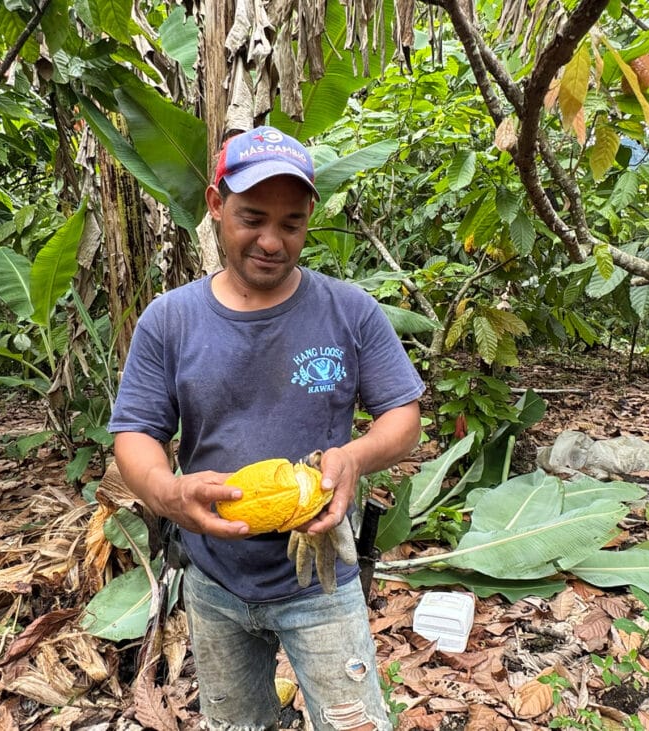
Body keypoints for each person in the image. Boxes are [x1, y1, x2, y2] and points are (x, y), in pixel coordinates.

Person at [108, 126, 425, 731]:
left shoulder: (348, 310)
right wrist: (170, 495)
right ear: (215, 204)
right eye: (252, 217)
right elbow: (136, 434)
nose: (272, 241)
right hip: (214, 581)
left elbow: (402, 418)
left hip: (320, 578)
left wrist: (354, 458)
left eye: (292, 224)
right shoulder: (170, 321)